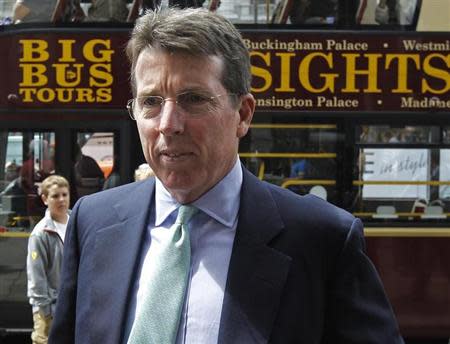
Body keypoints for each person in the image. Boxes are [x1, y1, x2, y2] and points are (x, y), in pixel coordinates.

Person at [49, 8, 404, 344]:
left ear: (243, 114)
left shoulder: (322, 240)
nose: (168, 125)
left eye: (193, 99)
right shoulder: (92, 222)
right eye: (151, 102)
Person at [27, 175, 70, 344]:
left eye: (64, 195)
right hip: (50, 310)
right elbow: (37, 277)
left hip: (71, 305)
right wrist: (46, 311)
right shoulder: (40, 234)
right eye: (55, 196)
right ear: (45, 199)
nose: (61, 200)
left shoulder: (77, 221)